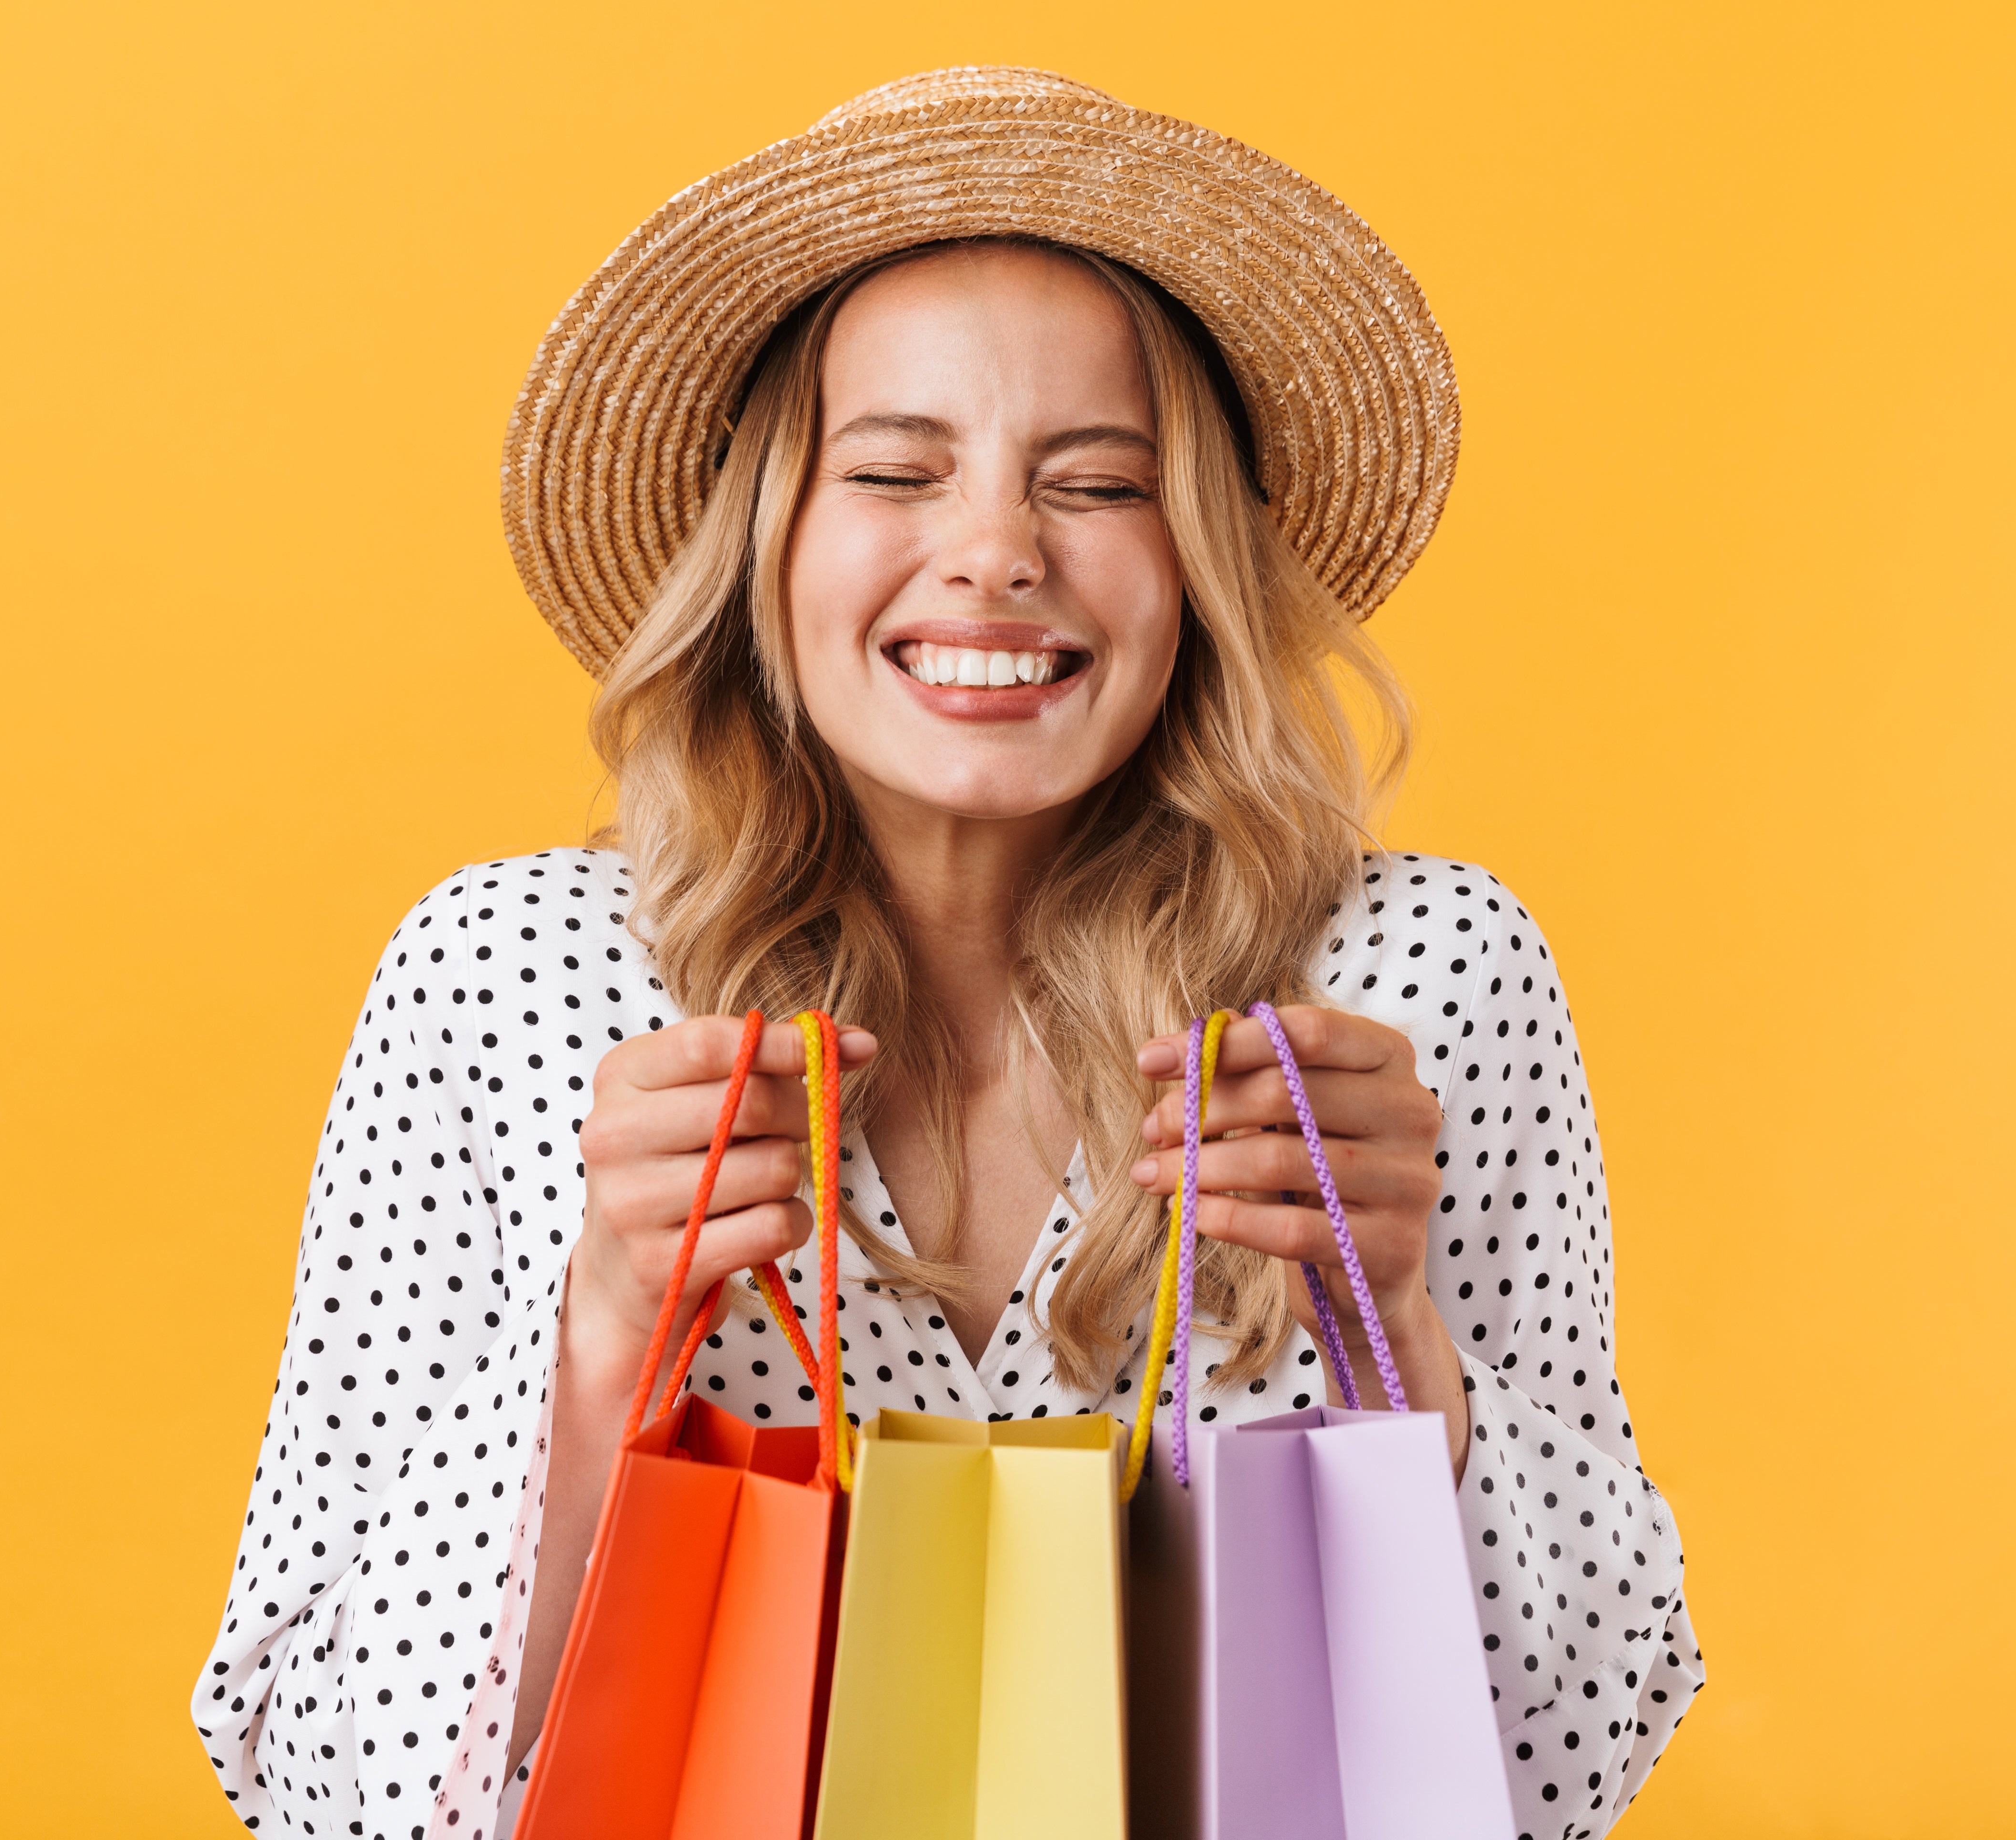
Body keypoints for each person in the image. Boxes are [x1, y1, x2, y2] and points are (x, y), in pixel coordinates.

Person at [192, 67, 1701, 1840]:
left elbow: (1578, 1764)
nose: (994, 556)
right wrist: (609, 1338)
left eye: (1100, 483)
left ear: (1196, 556)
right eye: (897, 470)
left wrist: (1410, 1362)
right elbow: (312, 1785)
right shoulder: (510, 980)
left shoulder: (1412, 986)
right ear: (773, 543)